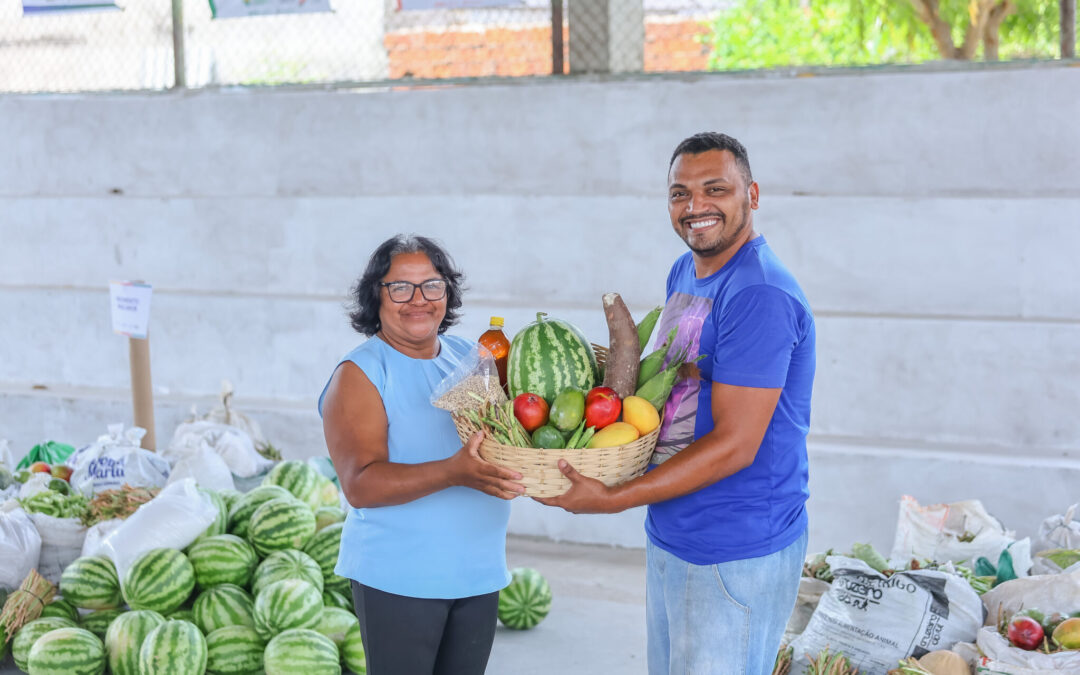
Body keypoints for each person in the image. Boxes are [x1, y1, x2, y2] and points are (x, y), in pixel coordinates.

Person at [536, 132, 815, 675]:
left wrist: (614, 497)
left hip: (734, 543)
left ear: (752, 195)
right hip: (676, 529)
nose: (695, 207)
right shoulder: (686, 270)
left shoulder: (759, 293)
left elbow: (735, 445)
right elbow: (677, 383)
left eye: (716, 189)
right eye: (679, 193)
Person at [319, 234, 525, 675]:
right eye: (400, 287)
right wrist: (453, 472)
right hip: (401, 578)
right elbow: (360, 484)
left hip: (478, 569)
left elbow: (501, 435)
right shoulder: (360, 374)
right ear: (376, 295)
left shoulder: (468, 355)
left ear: (447, 294)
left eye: (432, 285)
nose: (418, 299)